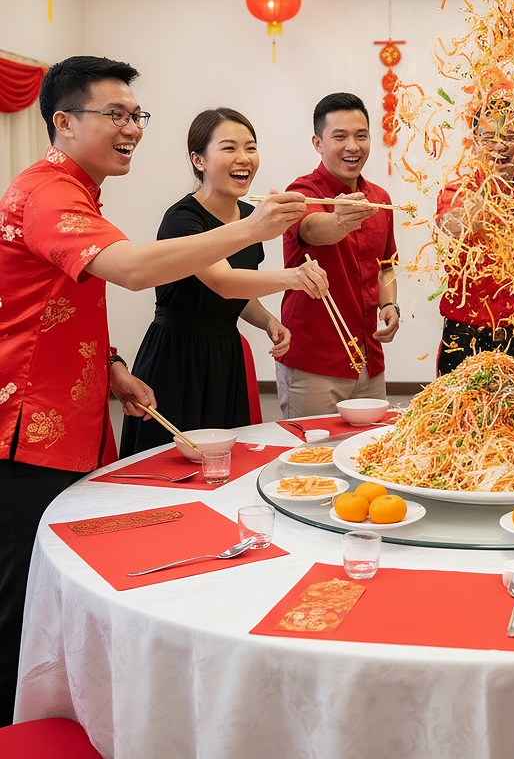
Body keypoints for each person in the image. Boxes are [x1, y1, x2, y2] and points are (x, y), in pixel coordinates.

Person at [0, 56, 306, 725]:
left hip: (75, 407)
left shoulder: (76, 192)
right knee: (27, 591)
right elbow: (134, 271)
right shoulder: (50, 194)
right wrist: (254, 229)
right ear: (63, 121)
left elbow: (52, 300)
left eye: (136, 114)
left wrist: (110, 365)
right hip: (31, 425)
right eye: (116, 114)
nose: (132, 128)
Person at [119, 108, 328, 454]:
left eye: (250, 147)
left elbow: (240, 292)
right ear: (198, 160)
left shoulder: (250, 216)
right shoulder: (183, 218)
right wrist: (294, 277)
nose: (243, 158)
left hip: (225, 353)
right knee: (170, 458)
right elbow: (223, 282)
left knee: (226, 457)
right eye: (229, 148)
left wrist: (268, 321)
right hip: (178, 354)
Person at [276, 93, 399, 417]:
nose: (352, 146)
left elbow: (386, 267)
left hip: (369, 358)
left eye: (361, 136)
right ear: (318, 142)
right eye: (340, 136)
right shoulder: (302, 193)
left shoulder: (380, 198)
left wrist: (389, 305)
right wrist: (340, 220)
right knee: (313, 447)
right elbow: (313, 230)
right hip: (315, 361)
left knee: (372, 444)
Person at [435, 98, 514, 374]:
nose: (500, 146)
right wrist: (485, 196)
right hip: (464, 341)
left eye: (510, 137)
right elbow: (451, 225)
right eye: (489, 138)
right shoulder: (456, 193)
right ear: (474, 144)